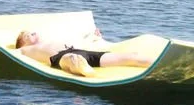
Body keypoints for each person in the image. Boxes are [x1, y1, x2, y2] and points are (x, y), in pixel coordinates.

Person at [12, 29, 155, 76]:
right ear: (23, 42)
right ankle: (82, 68)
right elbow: (12, 54)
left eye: (33, 32)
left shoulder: (52, 40)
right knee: (72, 59)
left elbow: (82, 42)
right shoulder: (24, 50)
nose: (33, 34)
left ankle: (157, 63)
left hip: (80, 51)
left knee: (130, 57)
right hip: (60, 57)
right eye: (28, 36)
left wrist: (94, 37)